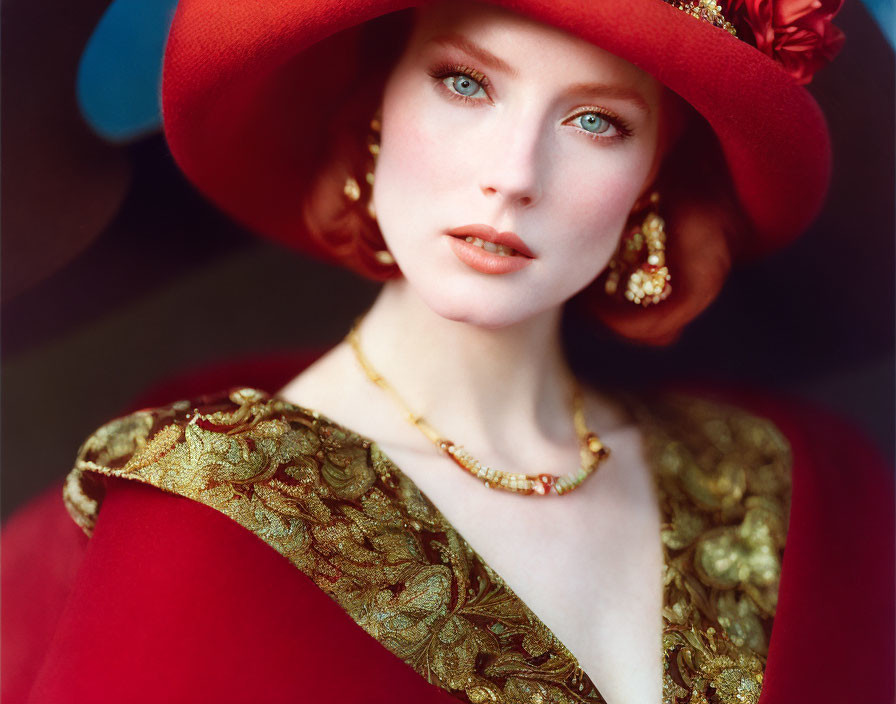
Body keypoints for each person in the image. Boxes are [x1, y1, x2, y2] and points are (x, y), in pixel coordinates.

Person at [10, 1, 893, 703]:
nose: (514, 173)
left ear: (652, 181)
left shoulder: (794, 482)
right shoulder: (205, 519)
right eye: (465, 82)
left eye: (597, 122)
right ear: (377, 102)